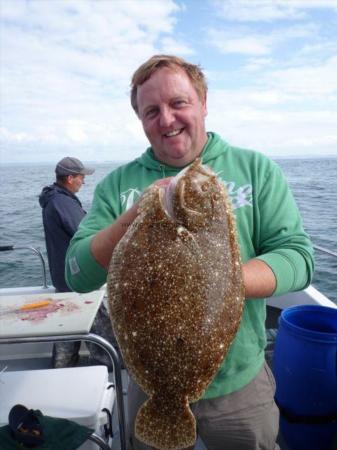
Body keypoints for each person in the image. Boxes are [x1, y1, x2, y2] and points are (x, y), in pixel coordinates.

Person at [65, 55, 314, 450]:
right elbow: (77, 274)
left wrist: (223, 283)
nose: (166, 119)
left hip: (240, 386)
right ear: (141, 119)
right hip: (151, 385)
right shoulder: (118, 185)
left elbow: (298, 258)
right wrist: (132, 218)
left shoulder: (256, 169)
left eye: (178, 103)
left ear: (203, 102)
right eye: (152, 111)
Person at [39, 156, 94, 368]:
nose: (83, 181)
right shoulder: (62, 202)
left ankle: (62, 374)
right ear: (70, 178)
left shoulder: (56, 199)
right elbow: (87, 235)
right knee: (100, 339)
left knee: (68, 334)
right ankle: (108, 373)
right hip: (76, 282)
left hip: (65, 279)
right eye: (81, 177)